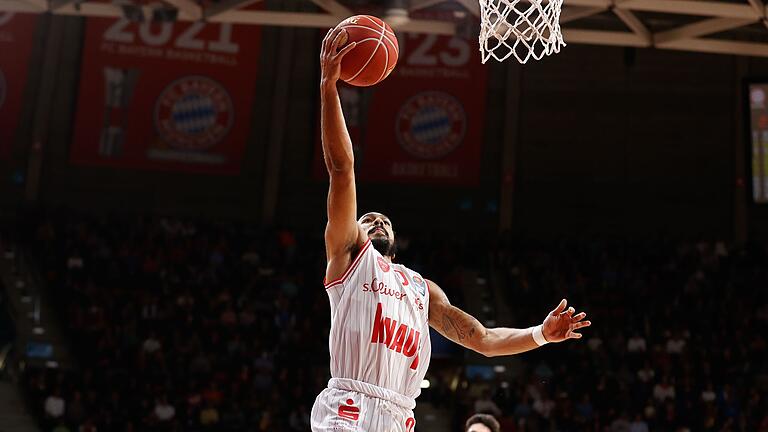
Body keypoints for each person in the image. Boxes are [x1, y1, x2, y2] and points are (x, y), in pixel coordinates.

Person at [311, 26, 592, 432]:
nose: (377, 219)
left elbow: (481, 339)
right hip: (349, 409)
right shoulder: (349, 258)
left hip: (397, 416)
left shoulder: (423, 291)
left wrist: (541, 335)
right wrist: (328, 88)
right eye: (366, 219)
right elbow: (342, 169)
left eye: (384, 219)